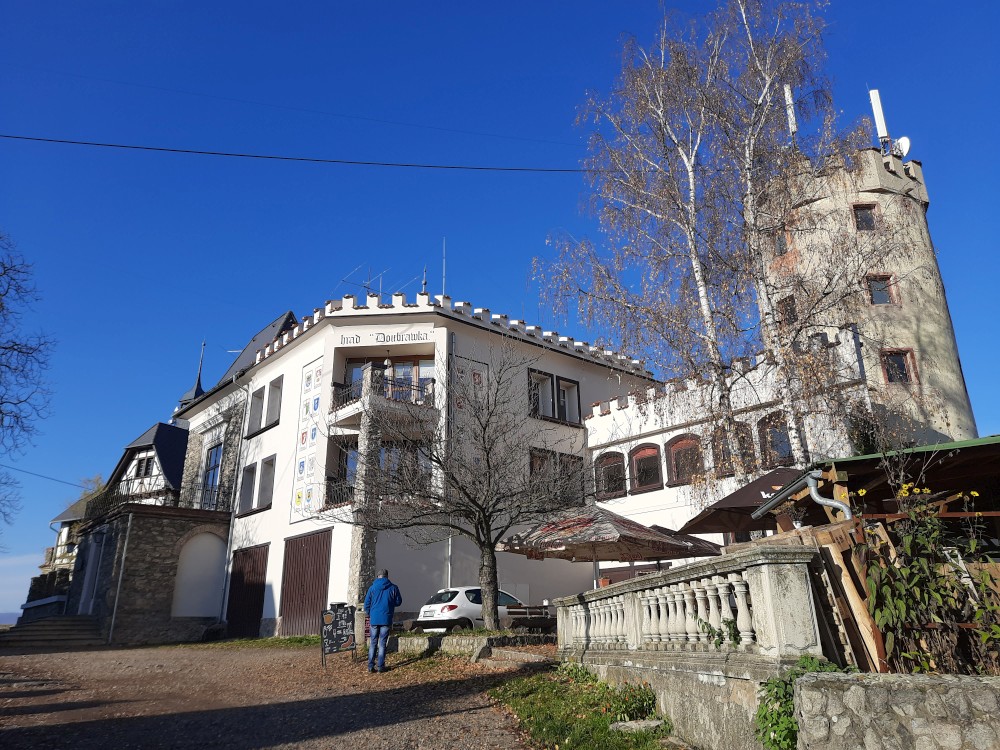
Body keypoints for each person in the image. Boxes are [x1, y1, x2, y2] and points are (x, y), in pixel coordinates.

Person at [363, 568, 402, 673]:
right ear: (387, 577)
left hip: (374, 619)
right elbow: (398, 602)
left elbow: (366, 604)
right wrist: (390, 604)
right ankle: (380, 666)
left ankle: (370, 666)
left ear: (378, 576)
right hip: (386, 618)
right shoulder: (393, 588)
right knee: (382, 643)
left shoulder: (372, 588)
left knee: (373, 643)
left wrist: (370, 614)